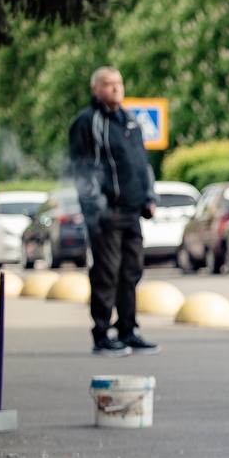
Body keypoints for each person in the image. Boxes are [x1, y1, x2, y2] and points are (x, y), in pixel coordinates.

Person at [69, 66, 158, 357]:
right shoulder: (88, 121)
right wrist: (98, 208)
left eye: (119, 83)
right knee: (107, 272)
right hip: (106, 214)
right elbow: (82, 169)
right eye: (108, 84)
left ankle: (128, 329)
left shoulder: (130, 120)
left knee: (131, 271)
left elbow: (141, 163)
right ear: (96, 89)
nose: (116, 88)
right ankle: (102, 333)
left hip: (132, 211)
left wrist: (149, 197)